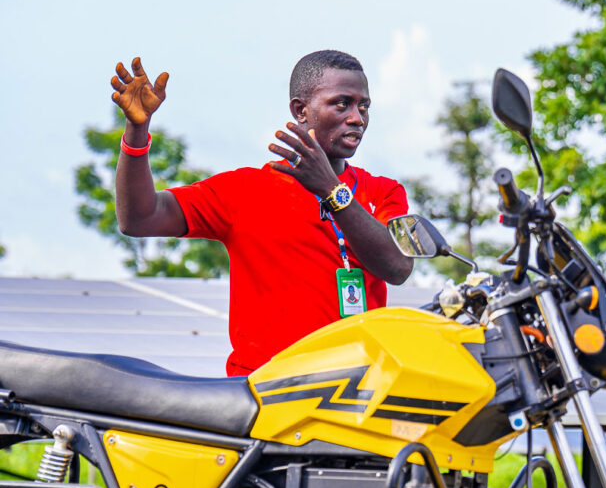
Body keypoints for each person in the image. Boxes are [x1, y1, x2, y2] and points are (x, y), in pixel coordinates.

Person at [112, 51, 413, 376]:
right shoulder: (245, 191)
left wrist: (331, 191)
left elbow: (397, 267)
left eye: (363, 106)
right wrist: (136, 132)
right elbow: (139, 218)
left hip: (356, 395)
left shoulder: (383, 191)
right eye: (342, 104)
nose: (357, 118)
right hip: (264, 399)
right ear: (301, 110)